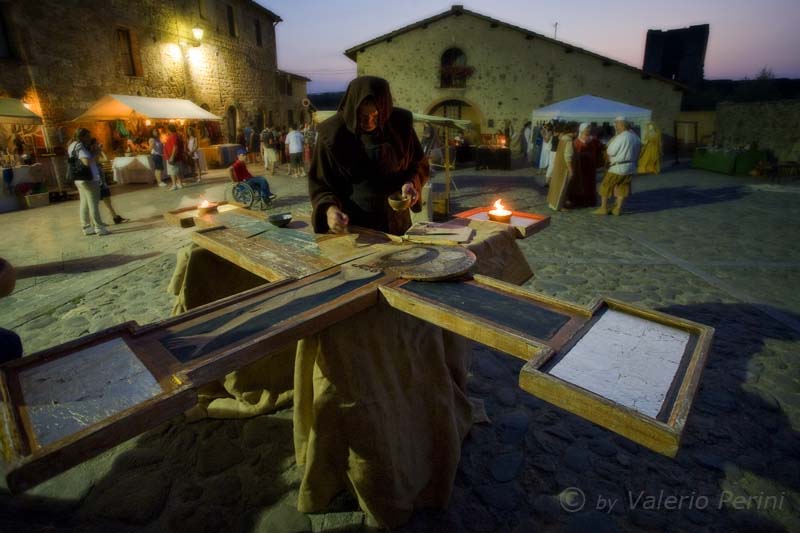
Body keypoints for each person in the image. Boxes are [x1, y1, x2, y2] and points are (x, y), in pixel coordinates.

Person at [308, 76, 429, 236]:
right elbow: (321, 184)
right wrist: (330, 211)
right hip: (355, 227)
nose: (370, 122)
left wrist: (410, 183)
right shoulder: (332, 134)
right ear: (352, 108)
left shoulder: (399, 125)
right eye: (363, 116)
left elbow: (418, 164)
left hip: (398, 223)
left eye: (376, 116)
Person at [595, 116, 641, 216]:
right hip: (630, 166)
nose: (615, 126)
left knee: (605, 186)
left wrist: (611, 142)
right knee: (622, 187)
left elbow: (611, 151)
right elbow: (638, 152)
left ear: (622, 125)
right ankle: (618, 209)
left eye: (616, 124)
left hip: (617, 167)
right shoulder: (636, 137)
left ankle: (603, 208)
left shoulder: (621, 137)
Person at [69, 128, 110, 236]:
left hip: (78, 178)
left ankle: (86, 227)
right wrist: (96, 152)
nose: (89, 139)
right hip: (89, 178)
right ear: (81, 137)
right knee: (93, 204)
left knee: (84, 203)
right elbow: (86, 161)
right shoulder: (80, 146)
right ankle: (99, 227)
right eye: (87, 136)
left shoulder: (71, 145)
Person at [89, 138, 129, 224]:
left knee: (107, 200)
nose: (97, 145)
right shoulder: (91, 154)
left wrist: (100, 150)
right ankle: (96, 221)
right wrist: (98, 151)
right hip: (97, 180)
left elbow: (105, 159)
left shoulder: (96, 153)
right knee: (95, 202)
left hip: (102, 181)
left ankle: (115, 217)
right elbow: (98, 160)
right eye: (96, 143)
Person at [568, 123, 602, 208]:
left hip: (590, 166)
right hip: (580, 166)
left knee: (589, 183)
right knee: (580, 183)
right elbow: (574, 153)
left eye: (589, 129)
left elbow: (599, 150)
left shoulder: (593, 140)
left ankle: (589, 201)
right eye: (587, 129)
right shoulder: (576, 141)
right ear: (582, 130)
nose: (588, 130)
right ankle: (579, 201)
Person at [546, 122, 576, 211]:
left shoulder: (562, 138)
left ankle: (553, 202)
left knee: (556, 184)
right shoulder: (568, 140)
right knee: (562, 186)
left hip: (559, 163)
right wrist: (571, 170)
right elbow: (568, 156)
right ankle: (558, 205)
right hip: (563, 166)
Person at [164, 123, 185, 191]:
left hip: (172, 157)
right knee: (177, 170)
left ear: (169, 130)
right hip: (177, 157)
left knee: (172, 171)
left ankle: (174, 185)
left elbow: (175, 147)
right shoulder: (177, 135)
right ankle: (180, 183)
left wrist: (172, 157)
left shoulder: (173, 136)